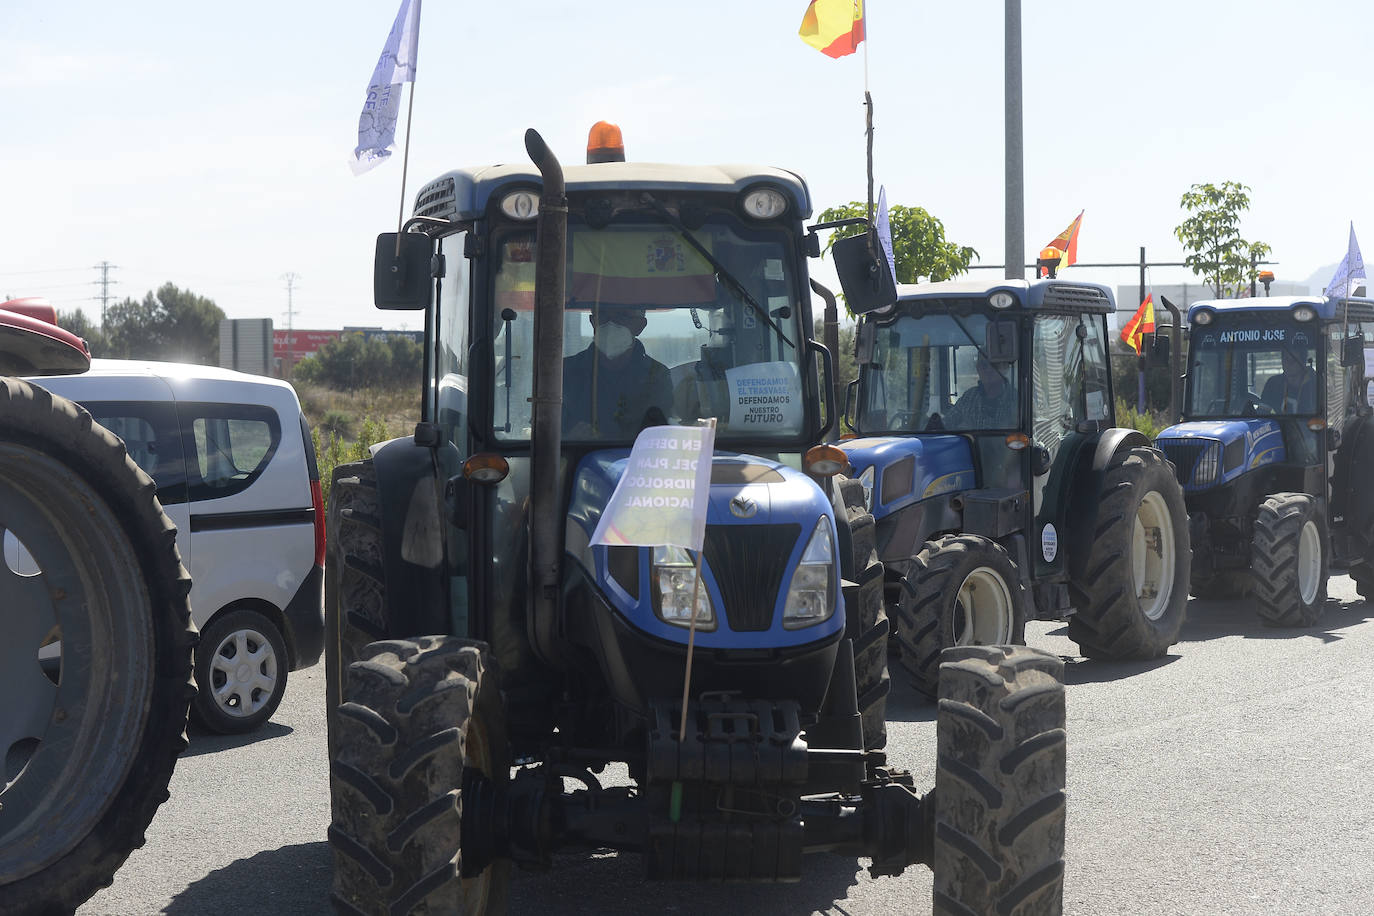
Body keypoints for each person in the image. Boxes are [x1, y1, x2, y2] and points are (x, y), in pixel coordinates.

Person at [563, 306, 674, 437]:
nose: (611, 324)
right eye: (602, 314)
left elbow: (660, 437)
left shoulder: (657, 375)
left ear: (640, 325)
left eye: (622, 315)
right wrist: (568, 438)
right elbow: (544, 431)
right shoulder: (564, 371)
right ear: (593, 321)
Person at [946, 354, 1017, 429]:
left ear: (1005, 368)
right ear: (978, 368)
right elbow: (947, 423)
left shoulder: (1016, 400)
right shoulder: (968, 398)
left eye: (994, 365)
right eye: (984, 365)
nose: (989, 370)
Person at [1260, 344, 1316, 414]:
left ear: (1303, 362)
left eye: (1294, 359)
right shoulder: (1273, 384)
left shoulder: (1316, 383)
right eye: (1286, 358)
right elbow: (1262, 414)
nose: (1289, 363)